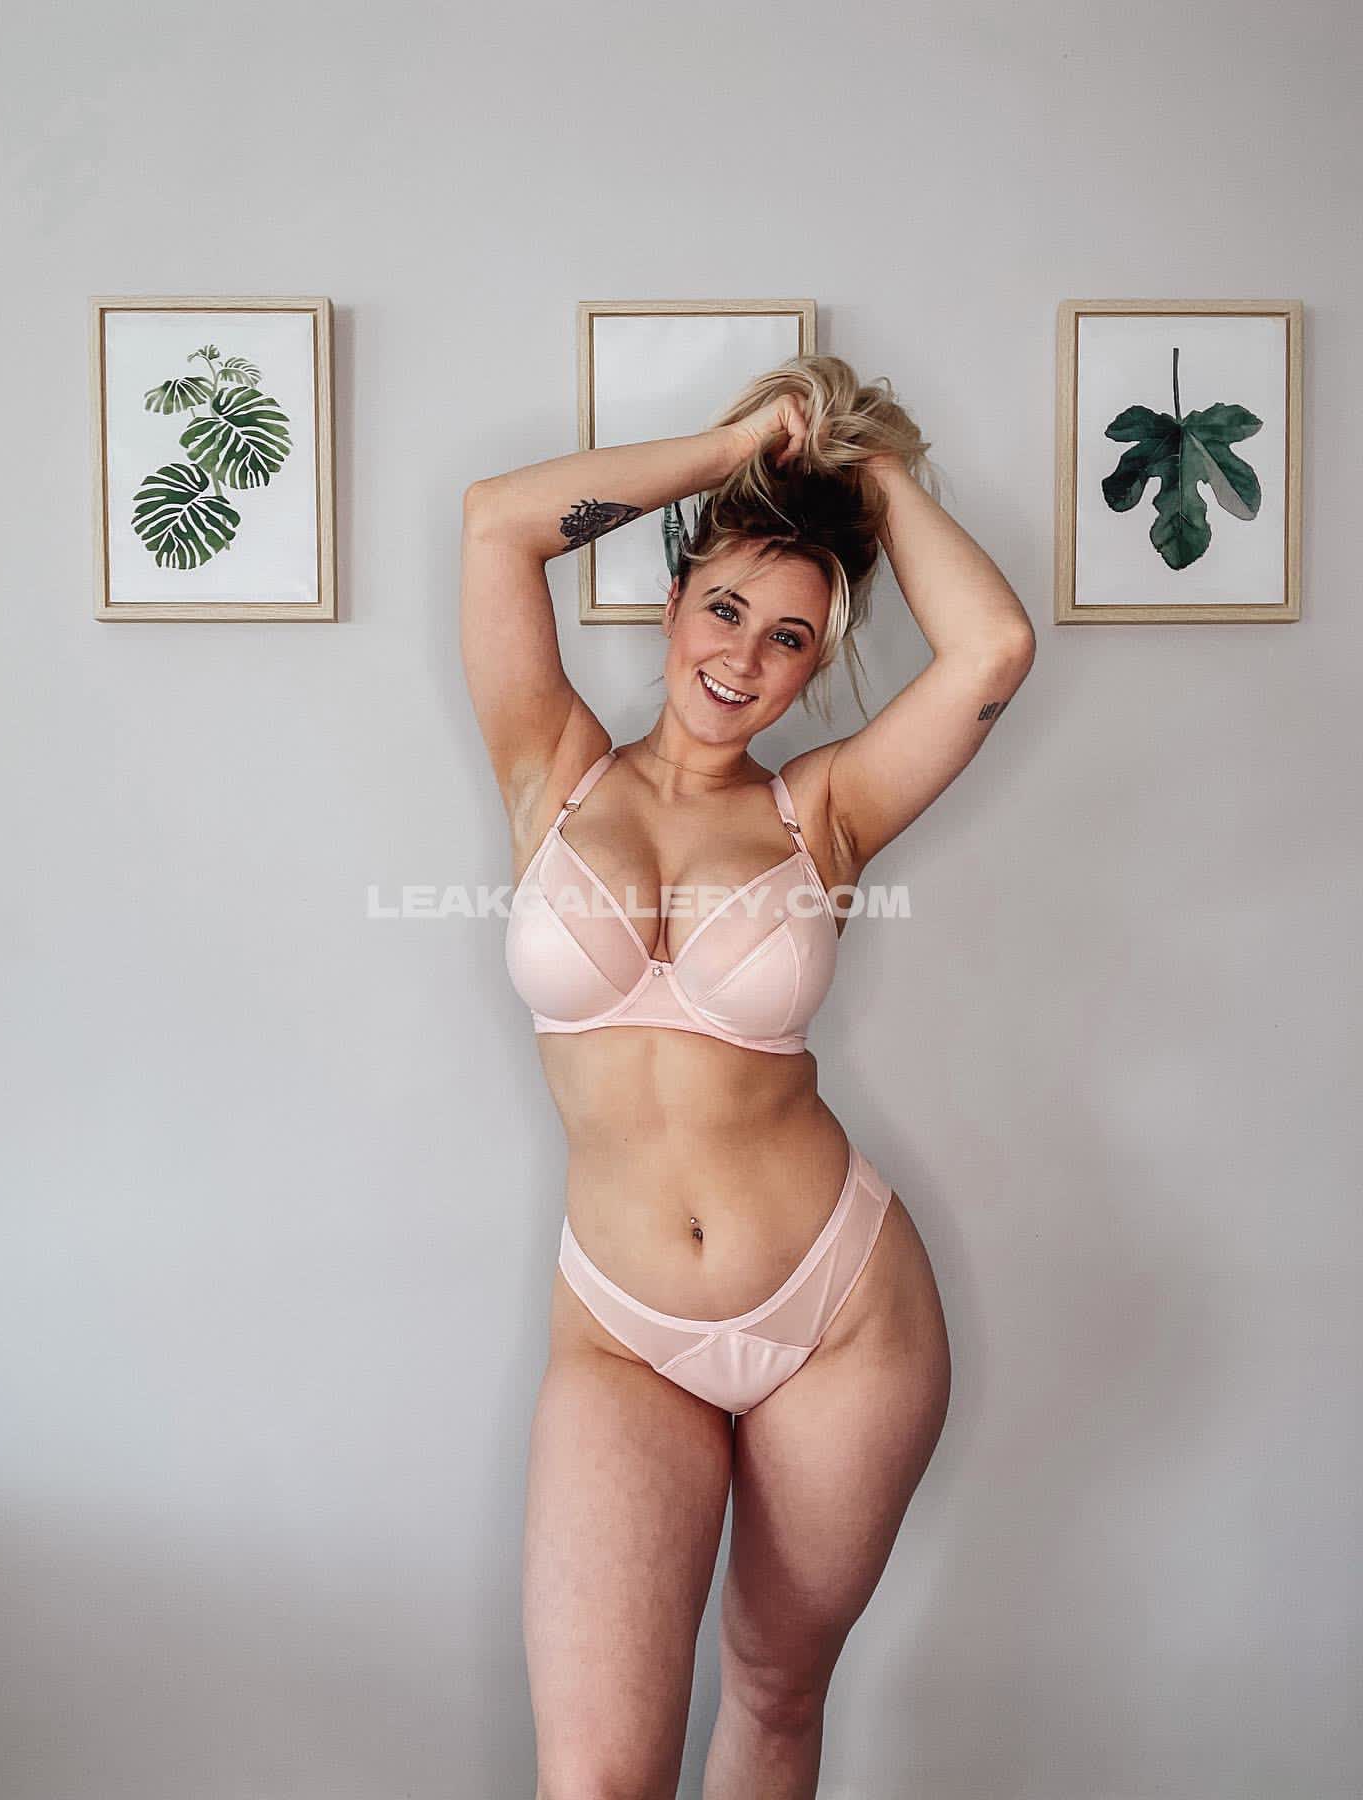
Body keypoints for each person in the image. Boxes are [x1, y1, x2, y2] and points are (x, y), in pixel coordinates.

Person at [460, 354, 1035, 1800]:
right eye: (724, 608)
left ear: (814, 667)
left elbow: (991, 651)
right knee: (597, 1779)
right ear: (673, 603)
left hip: (841, 1317)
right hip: (624, 1329)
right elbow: (497, 525)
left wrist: (870, 471)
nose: (744, 658)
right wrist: (736, 451)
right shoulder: (553, 770)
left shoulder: (822, 811)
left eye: (790, 639)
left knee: (776, 1697)